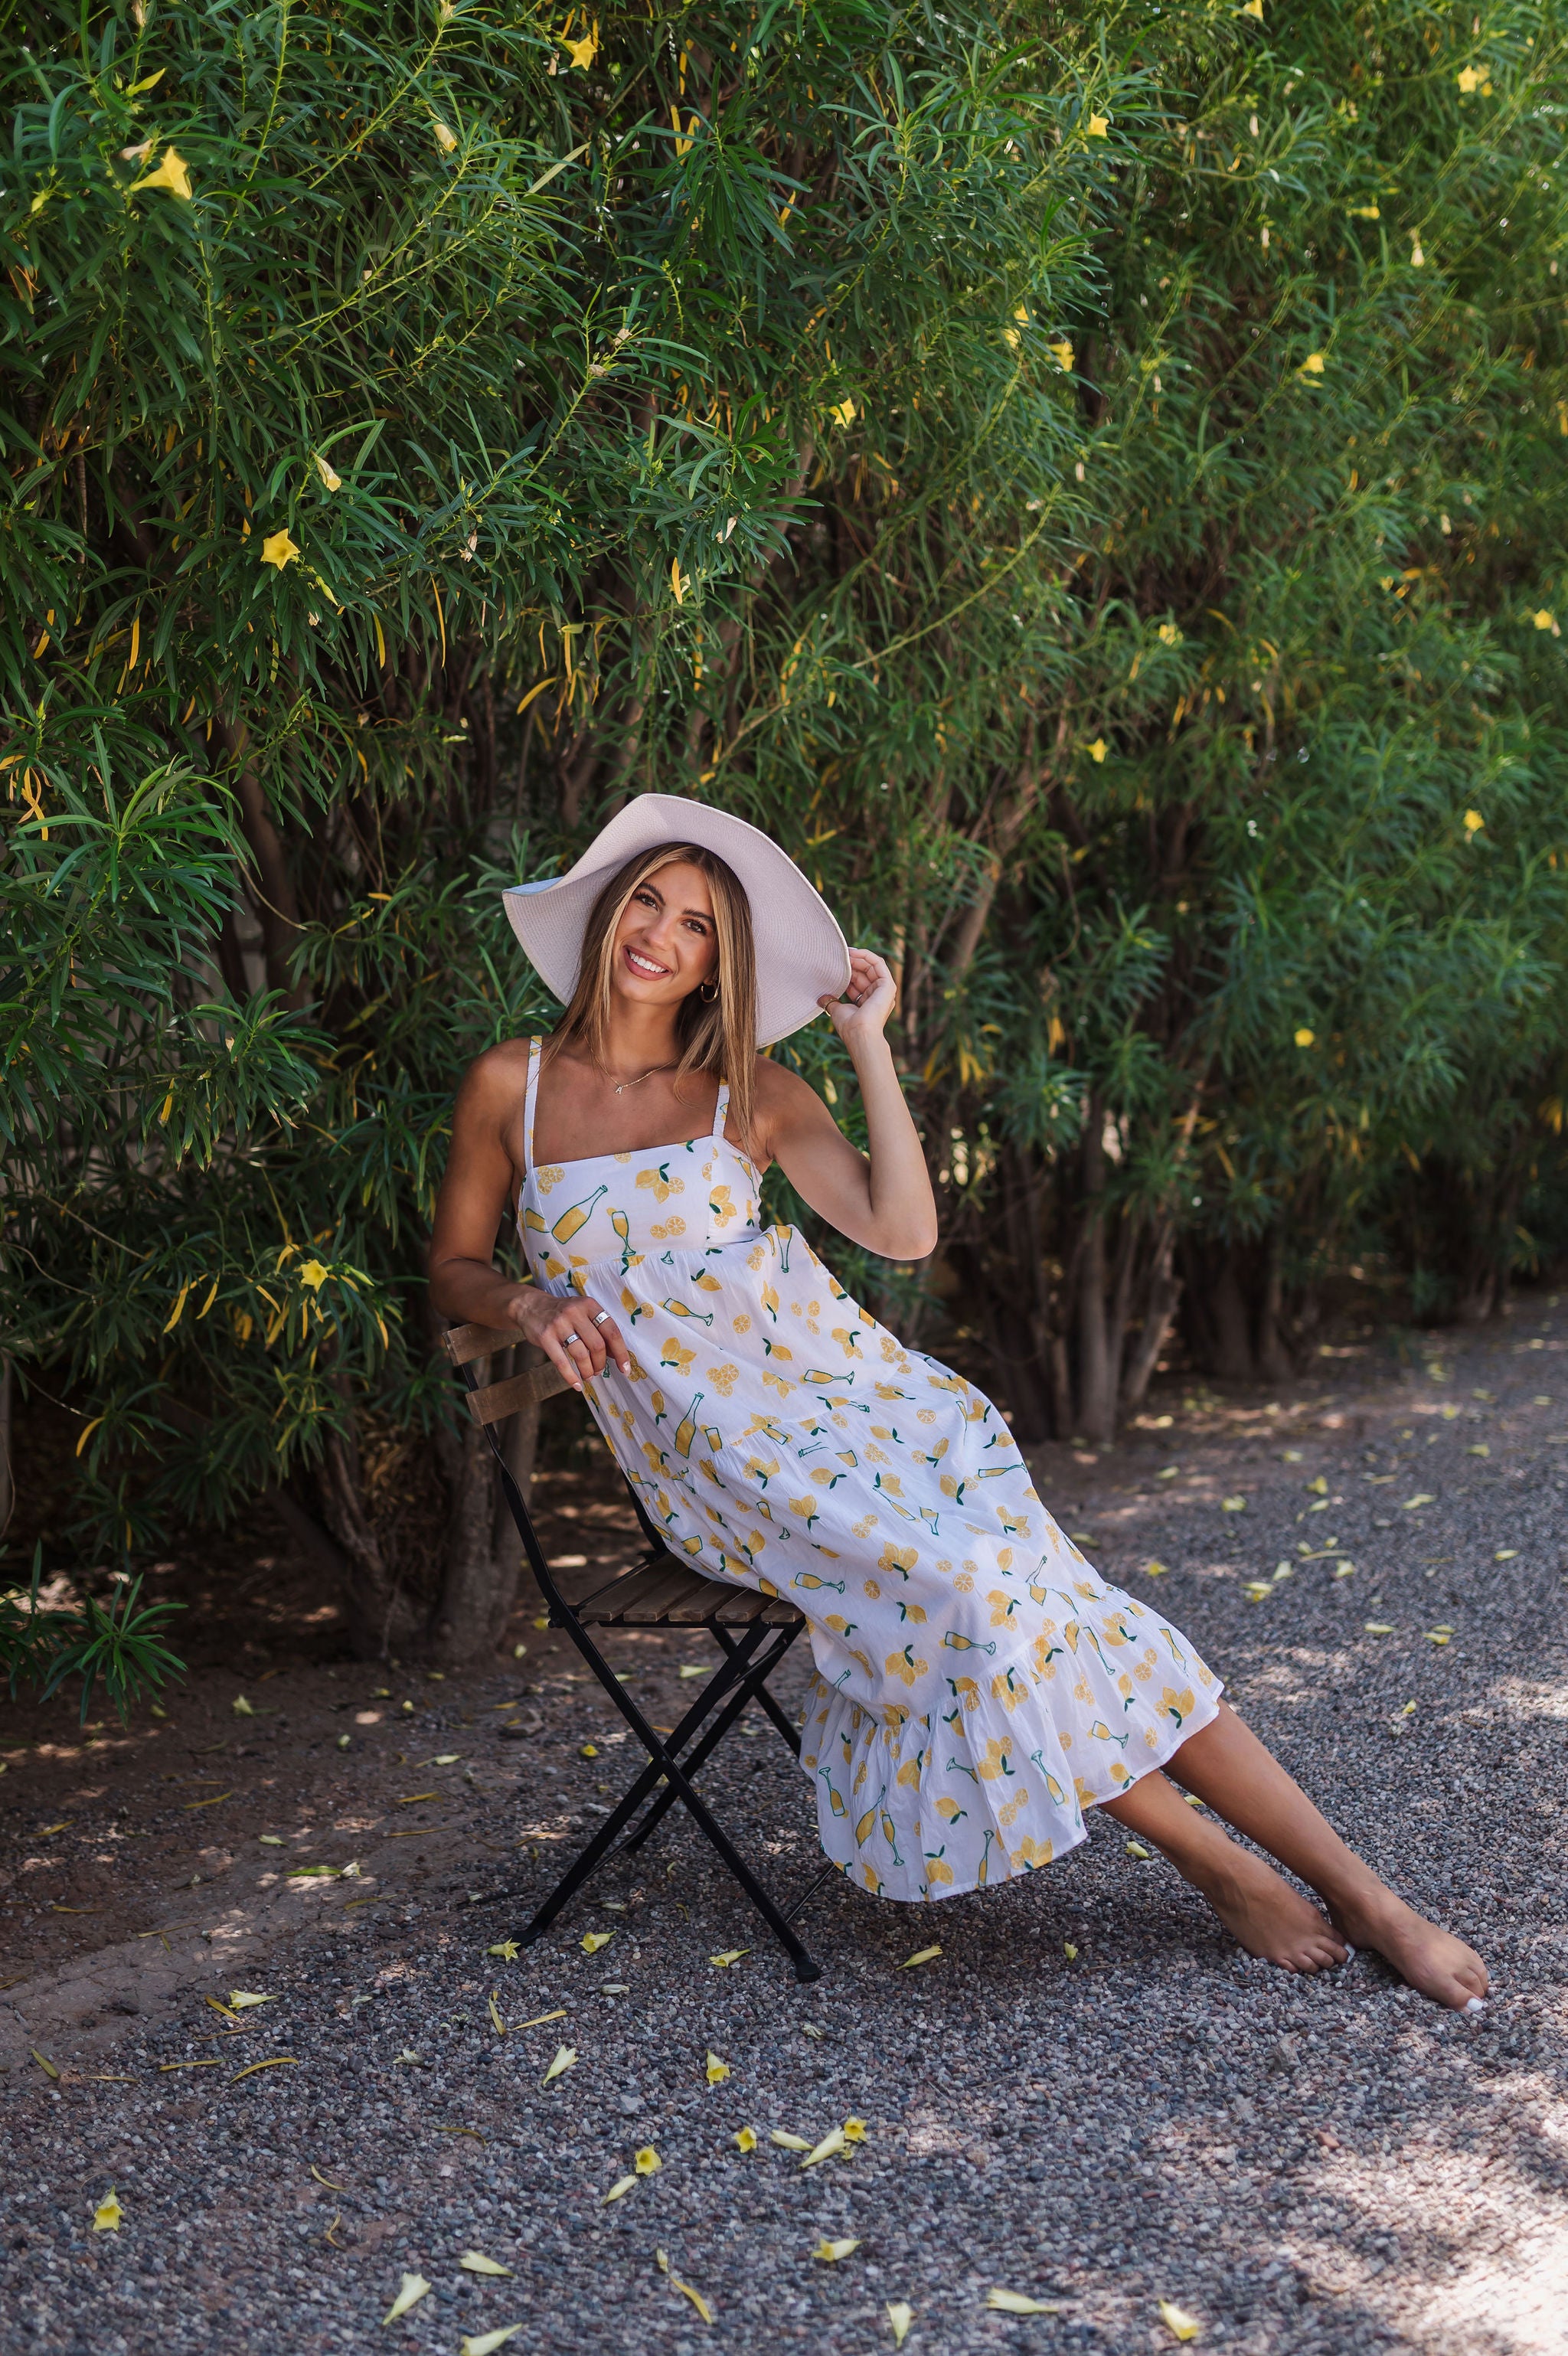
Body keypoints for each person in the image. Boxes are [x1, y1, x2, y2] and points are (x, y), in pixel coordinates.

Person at [429, 794, 1488, 2012]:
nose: (662, 935)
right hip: (716, 1465)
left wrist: (869, 1039)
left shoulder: (749, 1093)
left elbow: (903, 1229)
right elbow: (453, 1265)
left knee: (1052, 1602)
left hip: (869, 1413)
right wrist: (523, 1306)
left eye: (702, 925)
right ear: (608, 907)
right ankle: (1216, 1860)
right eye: (650, 901)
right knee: (985, 1596)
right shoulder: (508, 1085)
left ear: (726, 960)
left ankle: (1367, 1894)